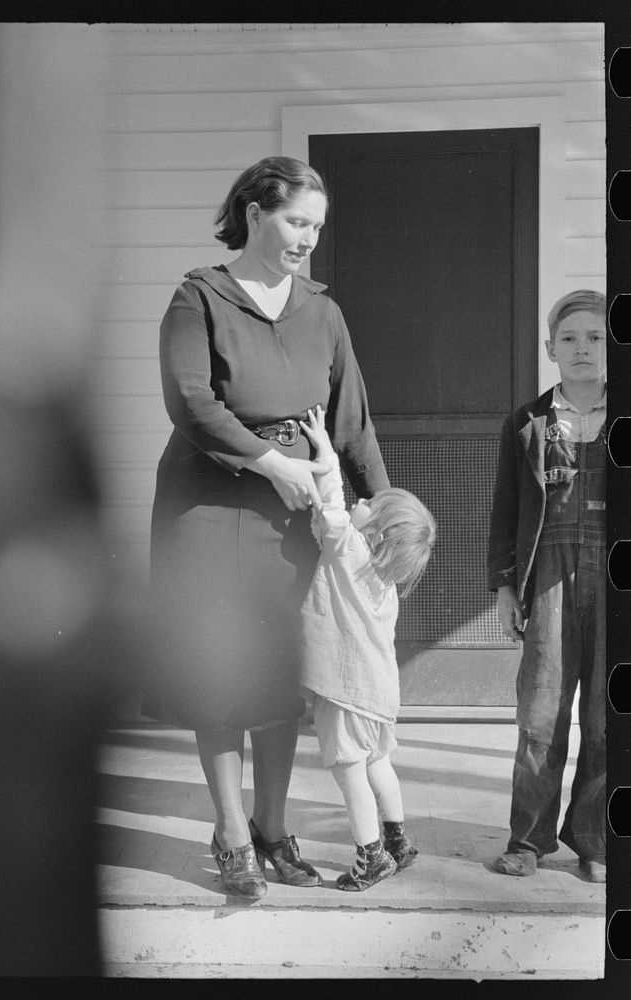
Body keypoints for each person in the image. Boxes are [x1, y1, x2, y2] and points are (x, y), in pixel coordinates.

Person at [143, 157, 390, 899]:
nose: (306, 240)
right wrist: (266, 461)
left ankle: (273, 830)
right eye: (294, 221)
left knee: (285, 667)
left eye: (315, 226)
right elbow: (189, 400)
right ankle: (228, 835)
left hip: (294, 514)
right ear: (254, 212)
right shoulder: (200, 297)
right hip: (208, 507)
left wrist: (377, 500)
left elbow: (351, 419)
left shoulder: (323, 311)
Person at [487, 289, 607, 883]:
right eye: (570, 339)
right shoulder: (529, 423)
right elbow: (506, 512)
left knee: (609, 718)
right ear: (550, 349)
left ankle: (596, 841)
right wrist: (508, 588)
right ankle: (528, 840)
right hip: (550, 576)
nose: (582, 349)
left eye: (595, 337)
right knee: (541, 713)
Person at [298, 405, 435, 891]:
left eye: (370, 507)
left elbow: (332, 505)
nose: (363, 503)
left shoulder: (352, 551)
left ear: (373, 533)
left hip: (345, 690)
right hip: (379, 694)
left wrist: (324, 449)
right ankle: (399, 840)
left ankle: (370, 856)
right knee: (379, 764)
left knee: (349, 771)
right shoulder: (386, 584)